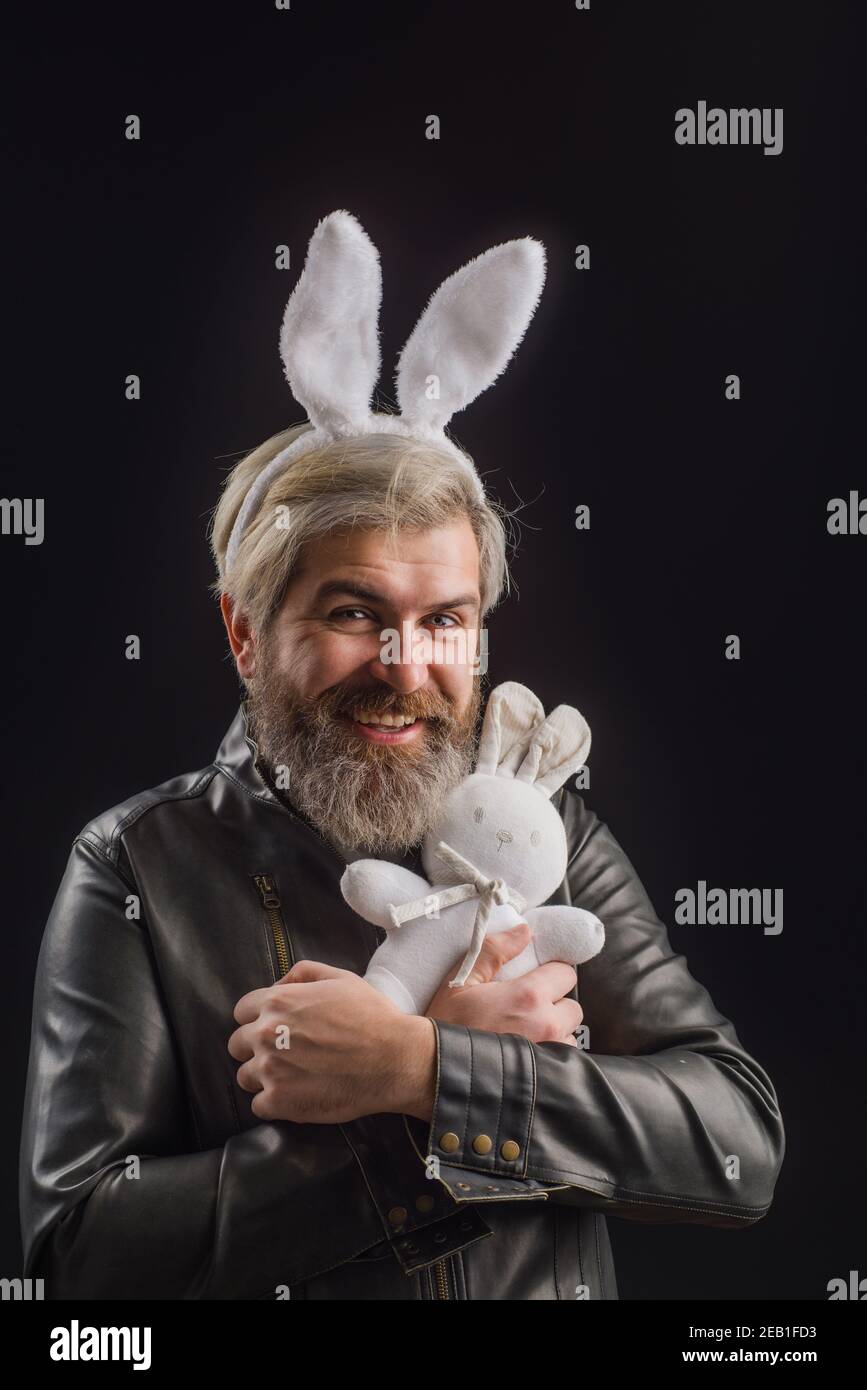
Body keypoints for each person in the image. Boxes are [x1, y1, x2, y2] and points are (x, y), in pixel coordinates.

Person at [19, 424, 785, 1301]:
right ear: (244, 631)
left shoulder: (542, 835)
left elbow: (737, 1144)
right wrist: (406, 1122)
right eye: (354, 614)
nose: (405, 667)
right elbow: (79, 1260)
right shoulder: (136, 866)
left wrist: (422, 1069)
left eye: (445, 622)